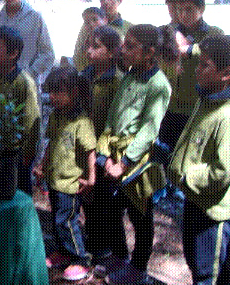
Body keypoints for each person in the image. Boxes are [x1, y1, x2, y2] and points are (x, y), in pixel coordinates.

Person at [96, 25, 173, 284]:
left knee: (141, 216)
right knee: (112, 210)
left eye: (130, 46)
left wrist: (125, 162)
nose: (123, 50)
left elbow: (148, 130)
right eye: (124, 44)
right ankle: (119, 258)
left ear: (149, 52)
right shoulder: (129, 75)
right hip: (114, 157)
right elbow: (112, 116)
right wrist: (105, 153)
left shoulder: (158, 84)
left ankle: (138, 269)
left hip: (139, 163)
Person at [168, 35, 230, 285]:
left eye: (205, 66)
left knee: (208, 275)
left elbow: (222, 170)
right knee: (195, 263)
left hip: (213, 213)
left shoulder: (225, 115)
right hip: (194, 200)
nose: (198, 70)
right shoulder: (206, 98)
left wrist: (186, 177)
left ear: (226, 74)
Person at [33, 66, 96, 281]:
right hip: (55, 179)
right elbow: (51, 144)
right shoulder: (56, 117)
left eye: (58, 92)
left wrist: (91, 177)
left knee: (67, 221)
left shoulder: (82, 122)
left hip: (71, 183)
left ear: (74, 92)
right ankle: (62, 252)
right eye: (50, 92)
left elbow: (90, 151)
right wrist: (42, 166)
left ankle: (81, 259)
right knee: (56, 218)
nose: (53, 97)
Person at [160, 0, 224, 153]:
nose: (183, 14)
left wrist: (188, 49)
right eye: (179, 10)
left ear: (201, 9)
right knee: (165, 152)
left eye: (189, 9)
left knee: (191, 153)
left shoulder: (214, 33)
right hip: (170, 106)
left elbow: (217, 53)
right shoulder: (169, 32)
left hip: (198, 107)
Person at [79, 26, 123, 261]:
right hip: (85, 147)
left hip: (105, 151)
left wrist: (107, 153)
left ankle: (106, 250)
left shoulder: (117, 81)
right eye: (88, 45)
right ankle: (94, 242)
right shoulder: (85, 75)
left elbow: (117, 121)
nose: (89, 51)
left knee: (105, 202)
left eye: (96, 47)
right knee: (87, 196)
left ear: (112, 52)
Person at [0, 26, 41, 194]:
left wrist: (28, 153)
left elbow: (32, 122)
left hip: (18, 152)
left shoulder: (24, 82)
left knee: (19, 192)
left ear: (13, 53)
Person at [73, 7, 107, 71]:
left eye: (95, 19)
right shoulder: (85, 40)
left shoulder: (110, 40)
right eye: (87, 22)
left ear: (105, 20)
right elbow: (77, 60)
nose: (91, 24)